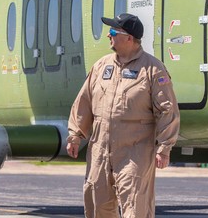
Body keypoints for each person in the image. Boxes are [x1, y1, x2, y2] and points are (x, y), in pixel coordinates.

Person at [66, 13, 180, 217]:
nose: (108, 36)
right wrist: (75, 135)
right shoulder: (101, 66)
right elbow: (83, 101)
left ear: (129, 38)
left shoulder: (153, 70)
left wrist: (164, 147)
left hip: (134, 153)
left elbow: (167, 109)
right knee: (97, 205)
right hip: (99, 151)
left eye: (112, 32)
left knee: (135, 208)